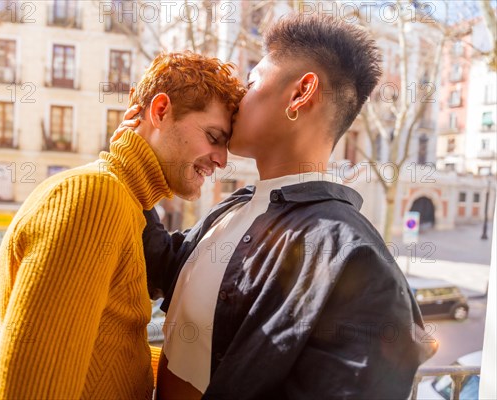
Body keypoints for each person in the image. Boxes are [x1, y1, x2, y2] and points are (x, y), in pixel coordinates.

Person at [117, 14, 436, 399]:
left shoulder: (354, 260)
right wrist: (135, 155)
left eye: (251, 82)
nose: (236, 97)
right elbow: (165, 265)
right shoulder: (235, 209)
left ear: (301, 93)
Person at [0, 52, 244, 399]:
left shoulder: (123, 202)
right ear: (159, 112)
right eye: (214, 137)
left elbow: (106, 357)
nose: (222, 159)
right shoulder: (95, 196)